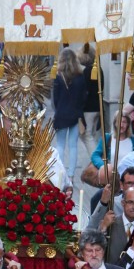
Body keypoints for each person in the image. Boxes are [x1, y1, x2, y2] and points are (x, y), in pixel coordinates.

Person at [94, 186, 134, 266]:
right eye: (130, 202)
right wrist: (103, 228)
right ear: (123, 203)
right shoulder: (109, 225)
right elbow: (95, 248)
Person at [52, 48, 87, 185]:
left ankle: (61, 174)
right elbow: (83, 97)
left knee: (60, 145)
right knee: (73, 146)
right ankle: (71, 175)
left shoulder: (58, 76)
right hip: (75, 114)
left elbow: (55, 99)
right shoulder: (80, 76)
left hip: (61, 114)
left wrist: (59, 108)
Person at [77, 43, 101, 157]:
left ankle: (96, 161)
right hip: (97, 107)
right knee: (92, 135)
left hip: (88, 109)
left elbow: (84, 91)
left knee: (87, 135)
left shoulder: (87, 71)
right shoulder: (98, 69)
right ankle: (97, 159)